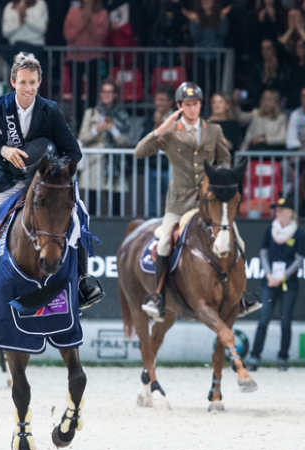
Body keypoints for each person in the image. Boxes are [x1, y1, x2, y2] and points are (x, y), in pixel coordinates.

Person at [0, 52, 103, 311]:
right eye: (23, 82)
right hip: (6, 179)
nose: (28, 88)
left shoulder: (50, 110)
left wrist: (56, 167)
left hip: (43, 182)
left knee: (78, 216)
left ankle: (84, 281)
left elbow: (74, 151)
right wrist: (2, 150)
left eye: (33, 82)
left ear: (39, 82)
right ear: (13, 82)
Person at [134, 82, 258, 321]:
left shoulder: (214, 131)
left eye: (196, 104)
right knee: (164, 242)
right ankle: (158, 297)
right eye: (187, 104)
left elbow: (225, 160)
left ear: (201, 105)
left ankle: (241, 297)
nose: (192, 108)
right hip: (180, 204)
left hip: (210, 204)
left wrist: (219, 180)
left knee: (238, 241)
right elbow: (140, 152)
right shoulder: (170, 132)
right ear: (179, 106)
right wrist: (161, 129)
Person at [248, 194, 305, 372]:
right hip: (270, 281)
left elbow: (299, 260)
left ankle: (282, 357)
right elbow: (263, 253)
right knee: (263, 318)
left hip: (288, 283)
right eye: (277, 210)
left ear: (290, 212)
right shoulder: (270, 231)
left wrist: (283, 277)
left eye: (281, 210)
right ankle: (255, 356)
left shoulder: (298, 233)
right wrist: (269, 275)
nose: (278, 213)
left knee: (285, 320)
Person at [77, 79, 131, 215]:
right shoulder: (91, 113)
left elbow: (125, 141)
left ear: (115, 95)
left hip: (114, 166)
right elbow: (83, 137)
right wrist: (96, 130)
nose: (106, 95)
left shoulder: (122, 115)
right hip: (94, 164)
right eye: (104, 92)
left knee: (115, 204)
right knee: (91, 203)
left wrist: (113, 129)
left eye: (110, 92)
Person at [63, 0, 109, 130]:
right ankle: (78, 125)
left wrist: (90, 22)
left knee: (93, 93)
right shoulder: (72, 13)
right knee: (76, 93)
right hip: (75, 57)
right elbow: (68, 36)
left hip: (94, 57)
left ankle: (90, 125)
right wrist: (83, 22)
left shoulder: (102, 14)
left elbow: (99, 37)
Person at [183, 0, 231, 99]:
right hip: (200, 55)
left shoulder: (220, 16)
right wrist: (195, 22)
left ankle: (215, 104)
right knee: (199, 83)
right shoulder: (196, 17)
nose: (206, 1)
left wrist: (222, 20)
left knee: (216, 84)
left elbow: (223, 34)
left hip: (216, 55)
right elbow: (194, 36)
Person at [139, 85, 175, 217]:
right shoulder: (150, 120)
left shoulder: (179, 119)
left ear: (170, 102)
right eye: (156, 100)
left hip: (172, 168)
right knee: (151, 206)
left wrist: (161, 125)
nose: (158, 103)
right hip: (152, 167)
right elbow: (144, 143)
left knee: (172, 205)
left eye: (162, 100)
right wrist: (156, 125)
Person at [1, 0, 48, 76]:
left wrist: (26, 17)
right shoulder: (10, 6)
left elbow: (42, 28)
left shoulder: (39, 4)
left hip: (35, 47)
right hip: (15, 48)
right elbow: (5, 32)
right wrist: (19, 21)